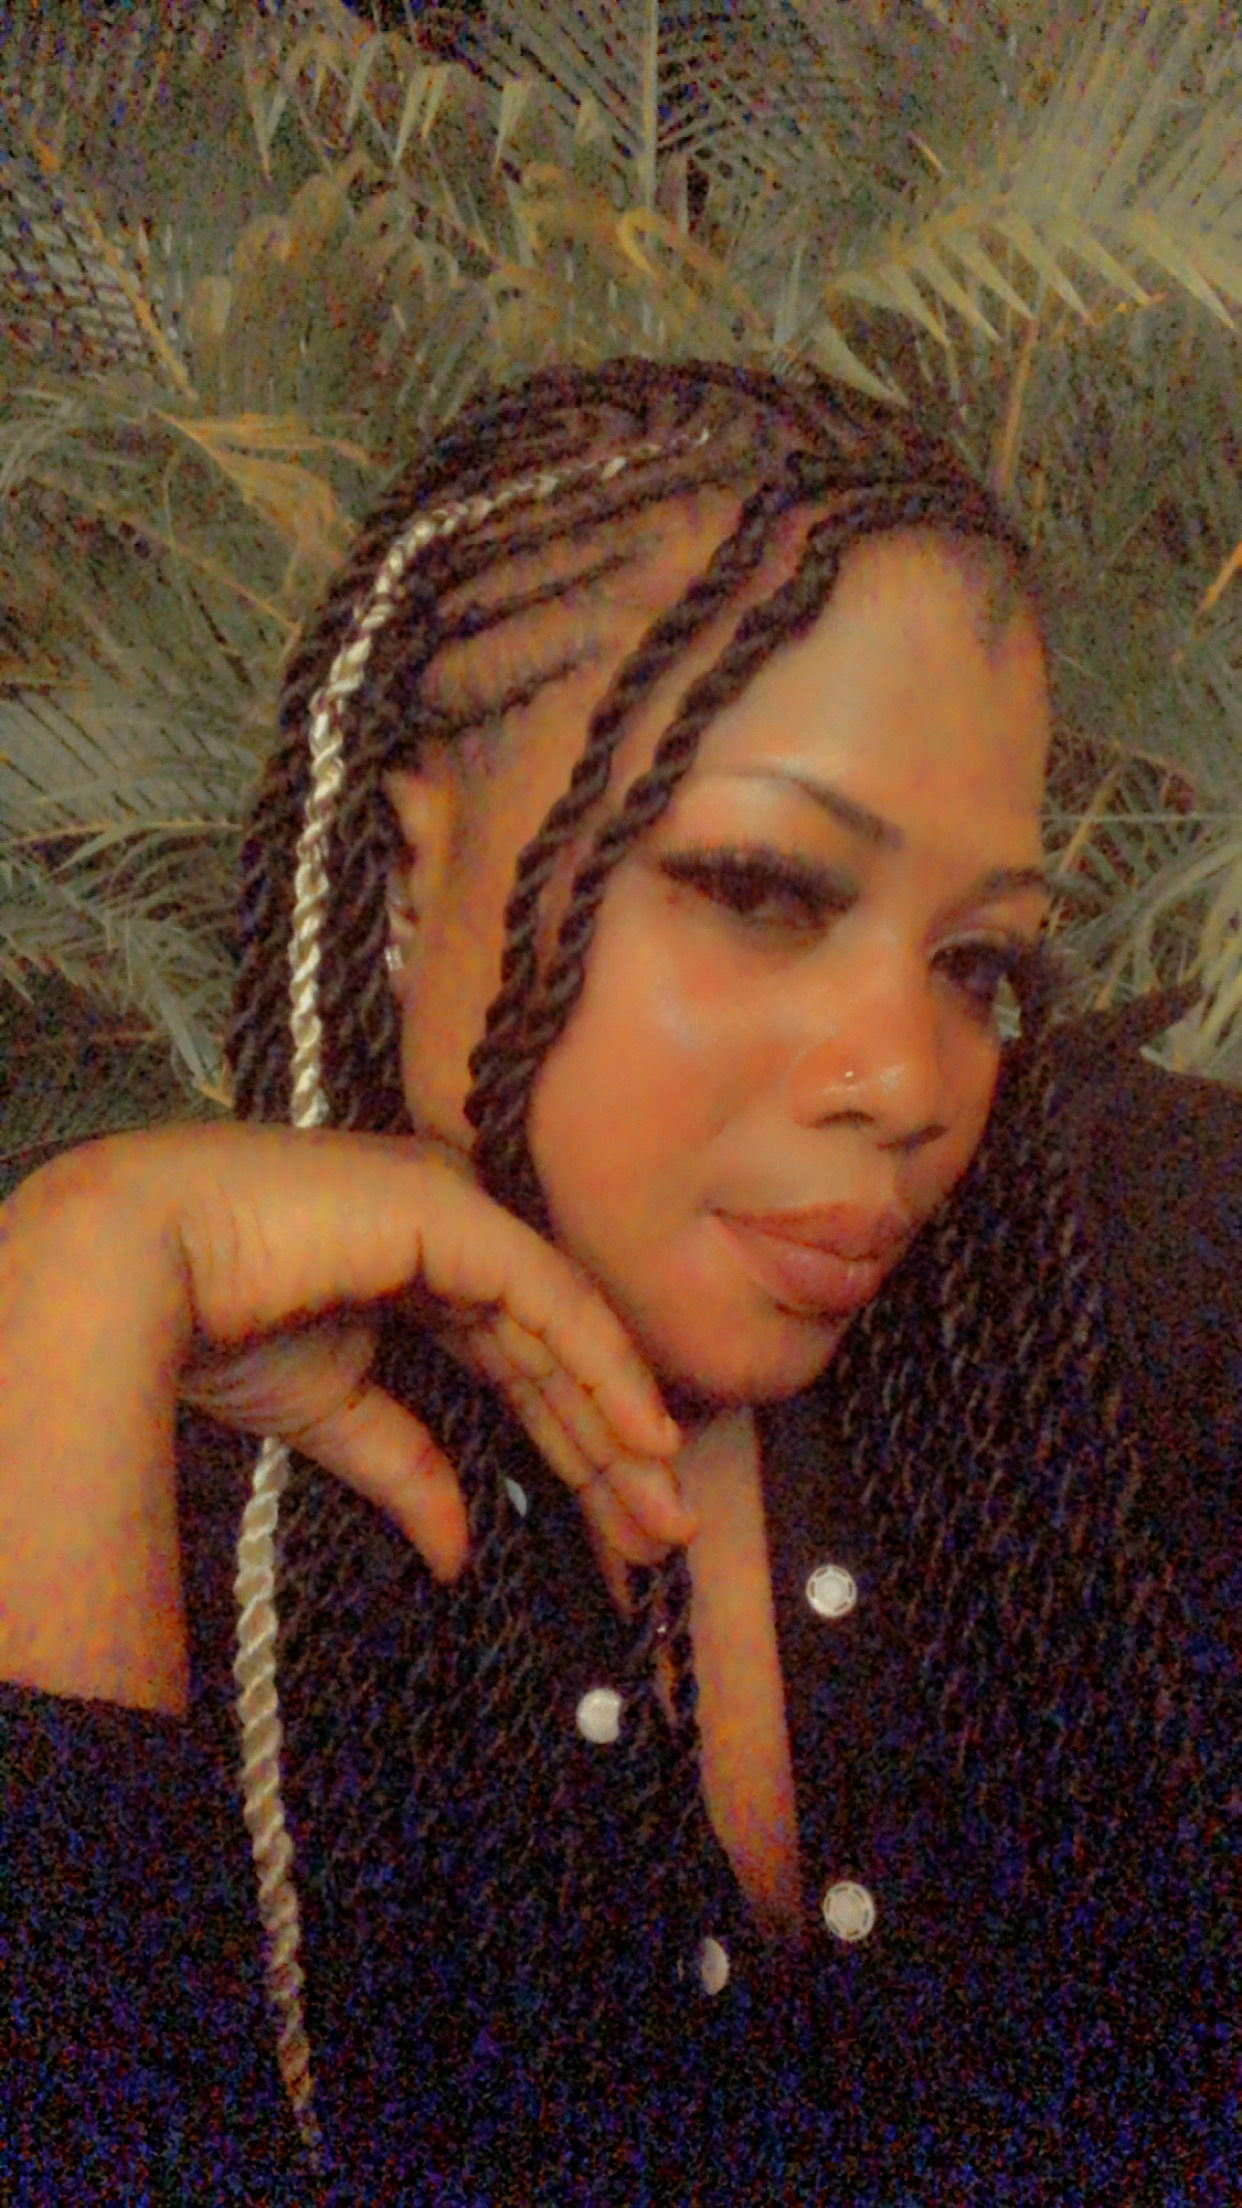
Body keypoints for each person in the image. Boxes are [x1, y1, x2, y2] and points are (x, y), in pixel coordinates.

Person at [2, 357, 1237, 2206]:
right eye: (761, 890)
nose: (910, 1082)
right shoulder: (127, 1479)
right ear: (408, 877)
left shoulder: (1113, 1283)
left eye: (976, 963)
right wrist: (79, 1272)